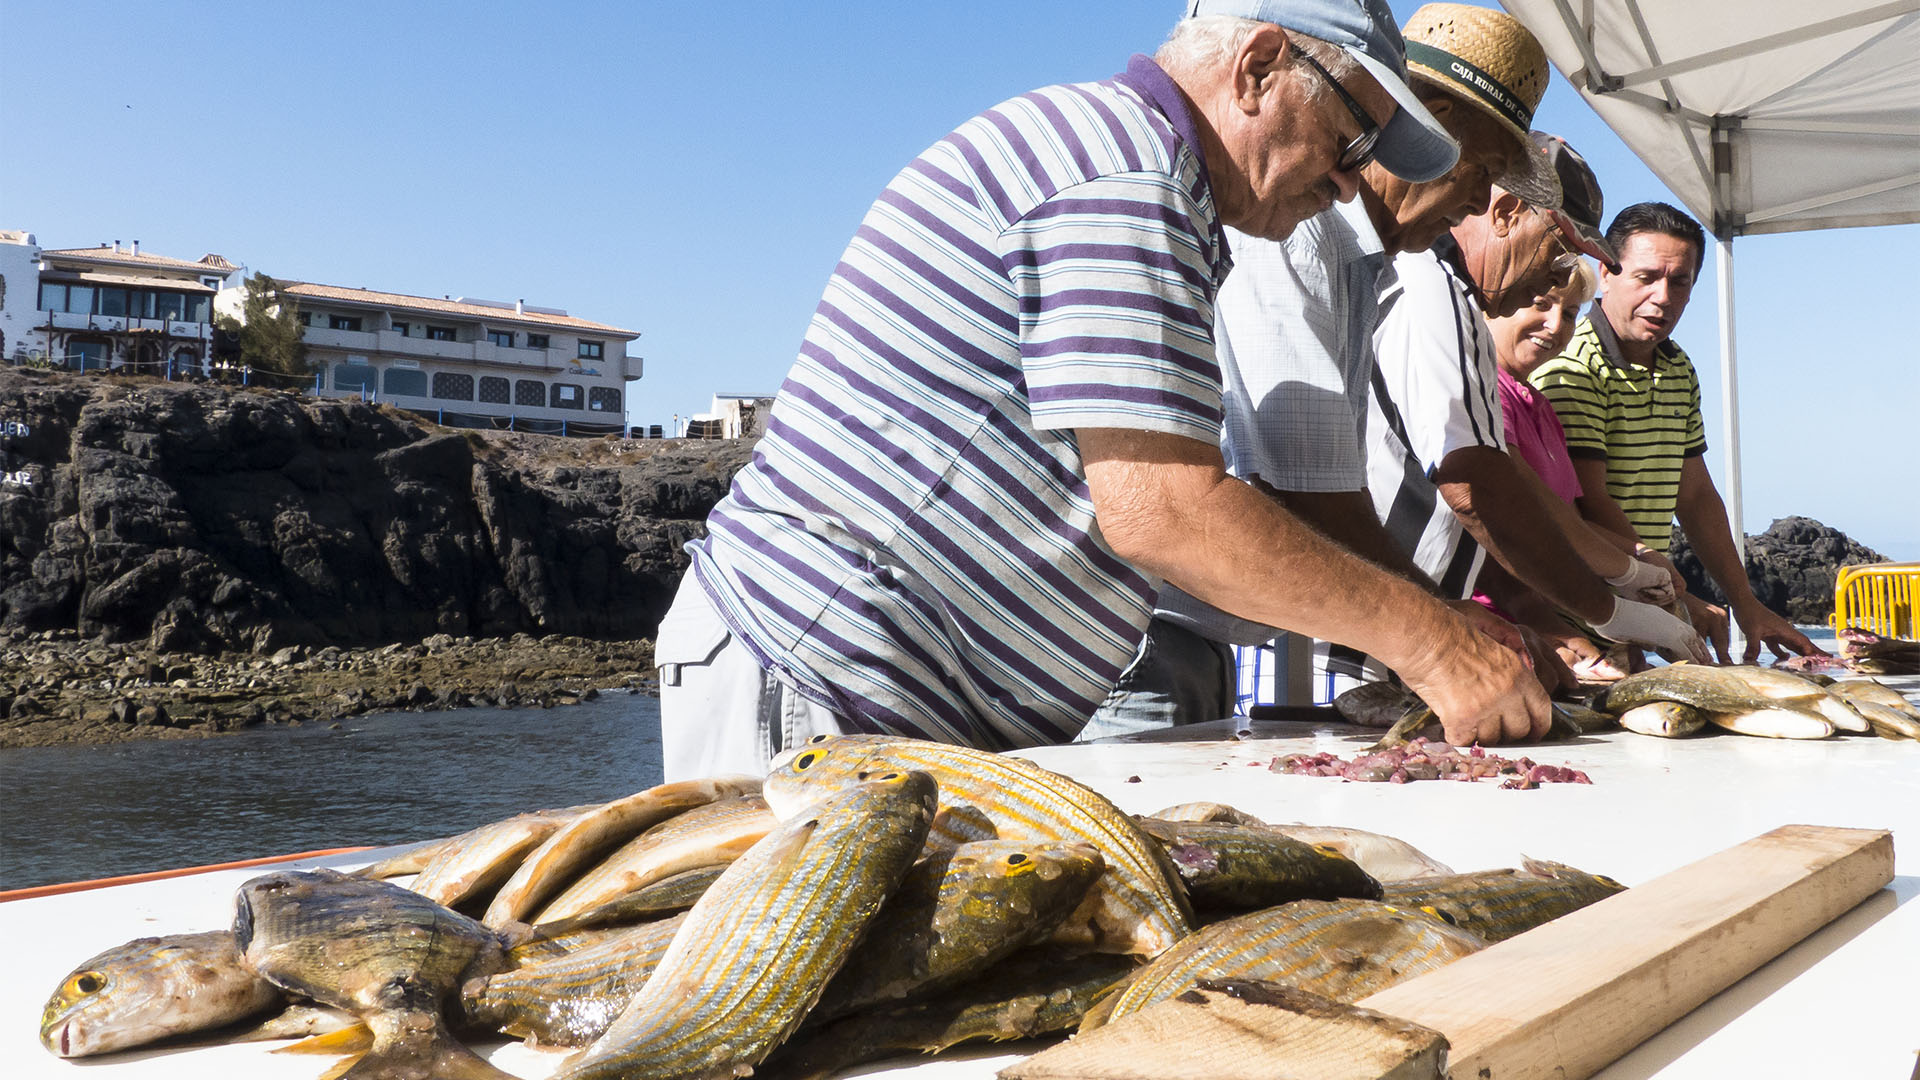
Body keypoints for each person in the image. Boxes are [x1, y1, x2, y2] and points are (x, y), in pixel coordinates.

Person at [656, 0, 1554, 780]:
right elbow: (1166, 511)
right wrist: (1432, 641)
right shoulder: (1123, 173)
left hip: (867, 694)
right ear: (1258, 69)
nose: (1352, 178)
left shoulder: (1142, 174)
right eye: (1350, 137)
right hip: (821, 675)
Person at [1089, 5, 1697, 732]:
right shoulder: (1293, 236)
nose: (1478, 201)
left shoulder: (1364, 270)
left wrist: (1465, 621)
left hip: (1201, 642)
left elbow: (1331, 487)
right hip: (1143, 641)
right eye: (1482, 173)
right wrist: (1454, 633)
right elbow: (1351, 490)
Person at [1530, 202, 1824, 663]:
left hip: (1638, 621)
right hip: (1574, 633)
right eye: (1646, 277)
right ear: (1606, 275)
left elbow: (1696, 496)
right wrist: (1671, 600)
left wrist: (1745, 602)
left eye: (1679, 281)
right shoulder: (1574, 368)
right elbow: (1587, 504)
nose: (1663, 296)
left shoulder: (1678, 366)